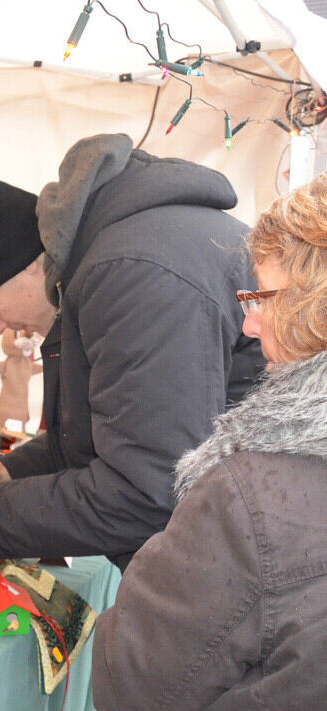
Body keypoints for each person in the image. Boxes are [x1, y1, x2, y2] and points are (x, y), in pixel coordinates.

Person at [0, 133, 266, 570]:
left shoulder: (133, 277)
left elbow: (147, 494)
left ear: (28, 264)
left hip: (261, 551)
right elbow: (98, 437)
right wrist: (6, 473)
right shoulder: (95, 266)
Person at [92, 173, 327, 709]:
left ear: (316, 306)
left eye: (262, 298)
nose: (249, 325)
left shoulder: (249, 498)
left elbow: (132, 683)